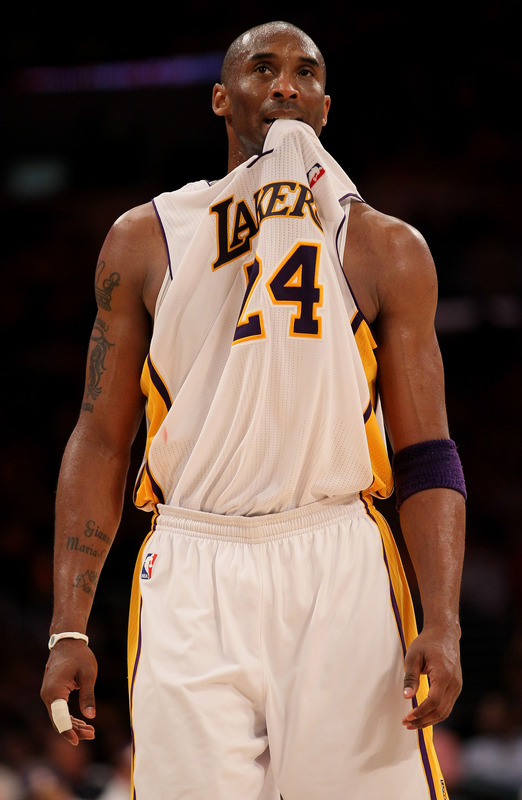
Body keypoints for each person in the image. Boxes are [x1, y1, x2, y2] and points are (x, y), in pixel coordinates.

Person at [40, 20, 466, 800]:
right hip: (192, 564)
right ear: (220, 97)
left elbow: (428, 452)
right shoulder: (147, 238)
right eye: (262, 68)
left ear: (325, 106)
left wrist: (443, 620)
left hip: (338, 560)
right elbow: (99, 438)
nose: (284, 85)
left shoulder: (386, 248)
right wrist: (69, 625)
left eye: (305, 73)